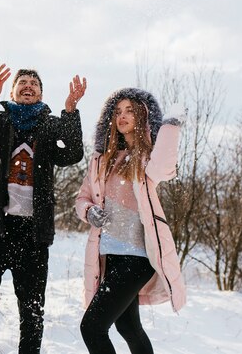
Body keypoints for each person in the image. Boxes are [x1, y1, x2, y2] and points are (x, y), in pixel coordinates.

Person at [0, 63, 87, 354]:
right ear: (12, 91)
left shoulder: (49, 123)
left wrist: (70, 110)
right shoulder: (0, 121)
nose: (28, 85)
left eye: (34, 82)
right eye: (23, 82)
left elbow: (72, 153)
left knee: (32, 313)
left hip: (33, 232)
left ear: (41, 93)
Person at [75, 87, 187, 354]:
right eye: (117, 111)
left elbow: (165, 168)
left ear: (141, 117)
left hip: (137, 258)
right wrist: (89, 211)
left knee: (92, 328)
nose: (122, 116)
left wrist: (170, 127)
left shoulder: (147, 157)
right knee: (128, 328)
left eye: (129, 111)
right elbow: (83, 197)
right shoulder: (101, 160)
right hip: (109, 257)